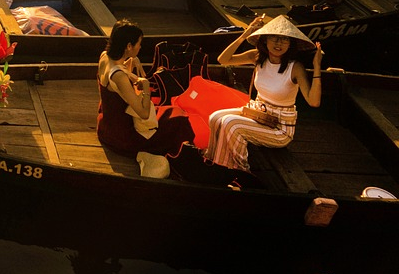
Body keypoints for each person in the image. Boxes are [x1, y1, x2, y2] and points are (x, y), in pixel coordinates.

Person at [204, 14, 323, 173]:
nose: (278, 43)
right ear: (265, 40)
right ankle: (214, 160)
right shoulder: (257, 57)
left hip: (279, 129)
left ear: (290, 44)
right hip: (257, 113)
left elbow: (313, 102)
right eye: (274, 37)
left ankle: (240, 169)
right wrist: (246, 34)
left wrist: (317, 66)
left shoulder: (295, 67)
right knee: (215, 117)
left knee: (231, 123)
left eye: (284, 39)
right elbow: (223, 60)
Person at [97, 20, 195, 173]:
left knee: (167, 112)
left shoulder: (104, 56)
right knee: (179, 119)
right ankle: (183, 161)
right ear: (129, 46)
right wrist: (147, 86)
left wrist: (131, 60)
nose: (140, 47)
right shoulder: (119, 76)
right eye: (138, 44)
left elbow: (117, 81)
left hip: (107, 123)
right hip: (122, 135)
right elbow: (143, 113)